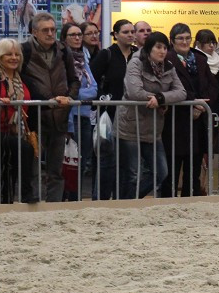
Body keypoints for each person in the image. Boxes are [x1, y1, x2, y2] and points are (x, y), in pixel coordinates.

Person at [116, 32, 185, 199]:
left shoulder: (169, 66)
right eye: (158, 47)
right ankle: (126, 205)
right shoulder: (136, 63)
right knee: (132, 173)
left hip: (154, 128)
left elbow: (181, 92)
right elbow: (134, 91)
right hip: (130, 126)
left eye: (165, 48)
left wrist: (160, 98)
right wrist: (156, 99)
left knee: (161, 171)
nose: (162, 51)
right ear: (149, 48)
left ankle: (129, 201)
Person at [22, 11, 79, 202]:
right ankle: (33, 204)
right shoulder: (24, 51)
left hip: (60, 117)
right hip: (36, 117)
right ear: (34, 32)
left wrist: (69, 98)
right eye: (45, 30)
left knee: (56, 169)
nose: (50, 33)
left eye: (53, 29)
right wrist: (46, 101)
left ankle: (54, 206)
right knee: (33, 167)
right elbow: (21, 81)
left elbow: (74, 80)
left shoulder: (64, 51)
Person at [0, 38, 35, 204]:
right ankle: (17, 197)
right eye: (9, 54)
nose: (14, 57)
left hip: (20, 132)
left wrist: (55, 100)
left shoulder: (25, 79)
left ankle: (21, 196)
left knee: (21, 157)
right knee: (9, 168)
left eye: (17, 54)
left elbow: (38, 99)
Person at [164, 22, 214, 197]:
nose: (184, 42)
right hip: (175, 122)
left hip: (197, 122)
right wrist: (192, 101)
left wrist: (200, 106)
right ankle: (167, 202)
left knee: (193, 168)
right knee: (172, 168)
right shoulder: (167, 59)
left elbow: (210, 85)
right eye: (180, 38)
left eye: (187, 38)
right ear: (172, 40)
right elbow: (168, 88)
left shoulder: (200, 59)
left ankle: (190, 201)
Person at [89, 19, 136, 199]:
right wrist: (102, 97)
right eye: (126, 32)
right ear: (116, 35)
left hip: (131, 117)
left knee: (127, 163)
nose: (130, 35)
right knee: (107, 161)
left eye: (132, 31)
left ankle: (121, 199)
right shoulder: (106, 54)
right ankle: (99, 199)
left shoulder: (138, 55)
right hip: (107, 116)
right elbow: (92, 80)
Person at [59, 22, 98, 200]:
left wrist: (79, 97)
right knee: (67, 160)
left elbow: (94, 88)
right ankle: (65, 197)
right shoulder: (61, 58)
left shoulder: (84, 59)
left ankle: (76, 198)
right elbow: (65, 89)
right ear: (64, 38)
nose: (77, 38)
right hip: (69, 116)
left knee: (83, 160)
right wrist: (79, 97)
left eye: (79, 35)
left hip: (84, 115)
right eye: (72, 35)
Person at [193, 28, 219, 194]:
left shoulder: (217, 61)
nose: (211, 46)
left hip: (214, 109)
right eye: (208, 43)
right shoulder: (196, 60)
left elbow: (218, 88)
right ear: (199, 44)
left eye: (213, 42)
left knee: (209, 150)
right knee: (198, 150)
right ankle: (197, 185)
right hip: (199, 110)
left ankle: (206, 185)